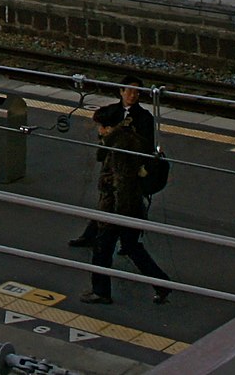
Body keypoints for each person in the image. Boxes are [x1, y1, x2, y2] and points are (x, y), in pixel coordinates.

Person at [80, 103, 171, 305]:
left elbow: (121, 182)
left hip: (118, 208)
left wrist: (115, 215)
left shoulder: (118, 147)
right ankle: (162, 284)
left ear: (108, 127)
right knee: (132, 248)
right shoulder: (129, 138)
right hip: (131, 206)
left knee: (102, 250)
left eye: (100, 126)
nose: (98, 130)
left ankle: (101, 291)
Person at [71, 78, 156, 246]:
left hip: (129, 165)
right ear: (121, 92)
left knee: (124, 201)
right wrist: (104, 130)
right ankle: (106, 238)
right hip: (111, 165)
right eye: (129, 91)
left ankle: (122, 241)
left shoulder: (144, 117)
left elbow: (147, 144)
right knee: (108, 200)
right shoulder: (112, 111)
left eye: (137, 92)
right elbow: (99, 117)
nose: (133, 95)